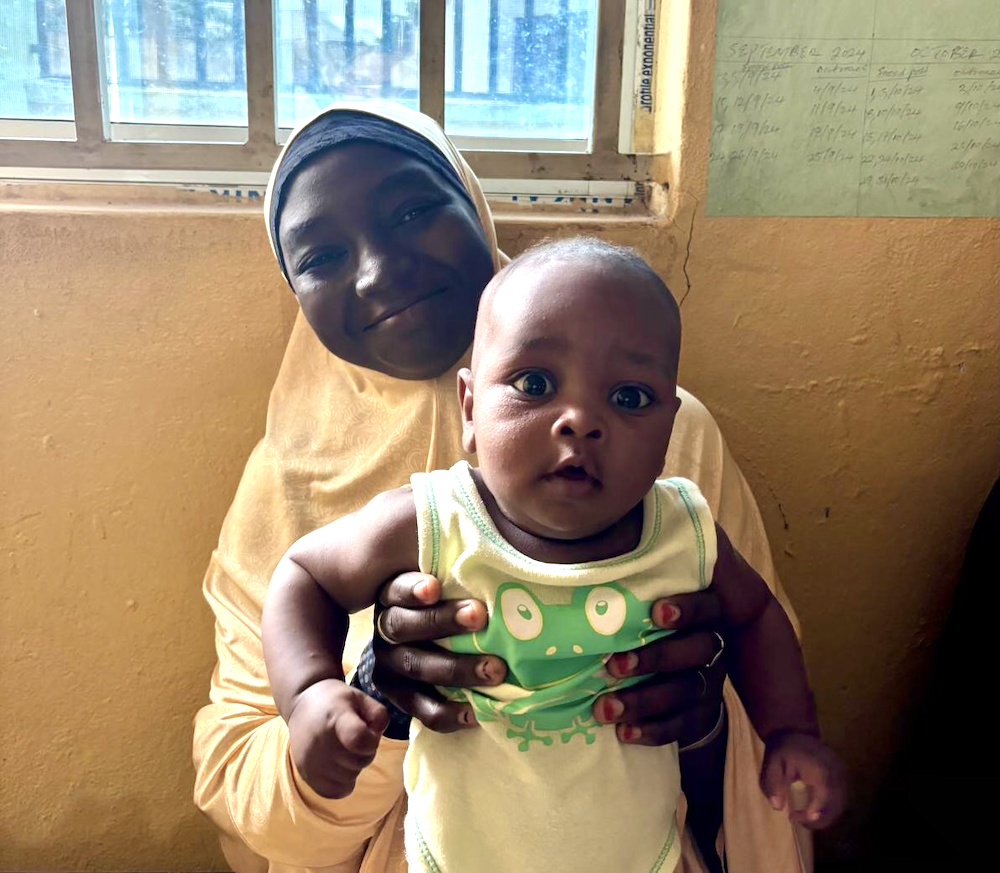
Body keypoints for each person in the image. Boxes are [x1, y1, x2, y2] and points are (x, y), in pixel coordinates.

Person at [192, 101, 815, 873]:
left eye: (415, 209)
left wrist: (703, 712)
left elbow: (766, 685)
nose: (381, 271)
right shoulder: (283, 486)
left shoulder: (667, 432)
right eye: (320, 256)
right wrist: (371, 704)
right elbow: (247, 795)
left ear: (474, 211)